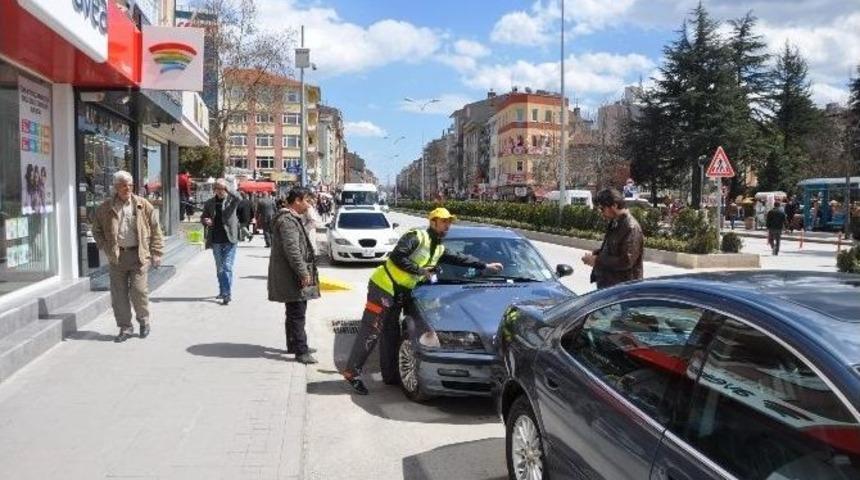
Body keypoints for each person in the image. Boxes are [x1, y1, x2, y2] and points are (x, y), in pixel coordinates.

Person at [341, 207, 504, 395]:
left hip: (400, 291)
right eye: (444, 221)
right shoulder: (416, 236)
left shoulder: (439, 247)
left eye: (449, 222)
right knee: (371, 330)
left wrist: (484, 265)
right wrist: (421, 271)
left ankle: (390, 376)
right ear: (433, 222)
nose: (447, 225)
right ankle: (352, 373)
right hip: (383, 287)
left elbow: (459, 258)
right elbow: (397, 256)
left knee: (391, 333)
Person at [92, 170, 164, 342]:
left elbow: (156, 230)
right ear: (116, 187)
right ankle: (125, 327)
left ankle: (144, 321)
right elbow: (96, 229)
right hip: (117, 257)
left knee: (139, 292)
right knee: (119, 295)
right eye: (124, 185)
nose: (128, 188)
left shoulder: (143, 204)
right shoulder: (105, 208)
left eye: (130, 185)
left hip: (139, 255)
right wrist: (105, 246)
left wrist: (157, 252)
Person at [268, 187, 319, 364]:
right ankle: (301, 351)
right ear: (297, 201)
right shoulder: (288, 221)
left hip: (290, 274)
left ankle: (294, 345)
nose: (309, 203)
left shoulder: (291, 218)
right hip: (291, 275)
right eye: (306, 200)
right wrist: (303, 272)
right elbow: (293, 251)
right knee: (298, 313)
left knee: (292, 312)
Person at [581, 188, 644, 290]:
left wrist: (597, 261)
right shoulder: (616, 222)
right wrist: (595, 254)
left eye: (602, 209)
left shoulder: (630, 227)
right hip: (610, 286)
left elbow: (626, 261)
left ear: (614, 205)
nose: (601, 213)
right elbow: (612, 248)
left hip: (623, 290)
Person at [201, 179, 240, 305]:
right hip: (216, 239)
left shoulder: (231, 201)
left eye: (222, 188)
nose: (220, 190)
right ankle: (223, 290)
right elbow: (203, 217)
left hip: (230, 239)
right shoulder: (209, 203)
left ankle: (226, 294)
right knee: (220, 268)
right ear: (214, 189)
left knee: (227, 267)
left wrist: (228, 187)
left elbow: (239, 197)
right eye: (217, 188)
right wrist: (206, 220)